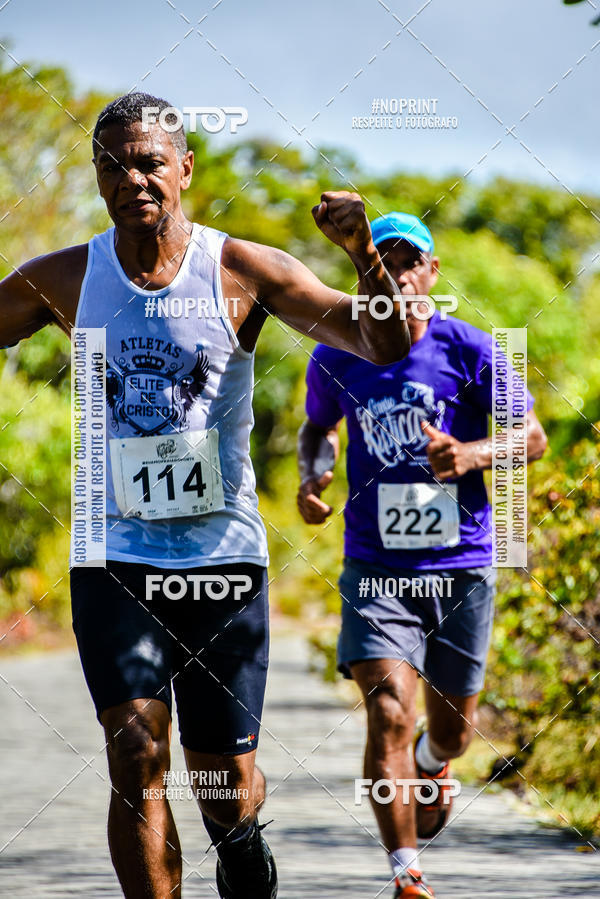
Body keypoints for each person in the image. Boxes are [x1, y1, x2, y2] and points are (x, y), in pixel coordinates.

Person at [0, 93, 410, 899]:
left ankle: (242, 838)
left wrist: (363, 252)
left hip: (224, 563)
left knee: (223, 784)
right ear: (98, 175)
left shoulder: (240, 271)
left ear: (185, 168)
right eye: (113, 163)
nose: (133, 177)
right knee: (134, 751)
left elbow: (382, 342)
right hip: (113, 555)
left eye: (151, 160)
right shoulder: (66, 278)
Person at [296, 211, 548, 898]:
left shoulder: (469, 349)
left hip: (460, 566)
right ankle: (406, 870)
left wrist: (471, 453)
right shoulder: (337, 352)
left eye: (413, 261)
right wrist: (312, 474)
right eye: (386, 261)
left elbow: (531, 436)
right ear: (367, 273)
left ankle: (435, 763)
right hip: (375, 569)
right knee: (388, 712)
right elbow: (319, 427)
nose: (400, 274)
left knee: (453, 730)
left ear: (433, 272)